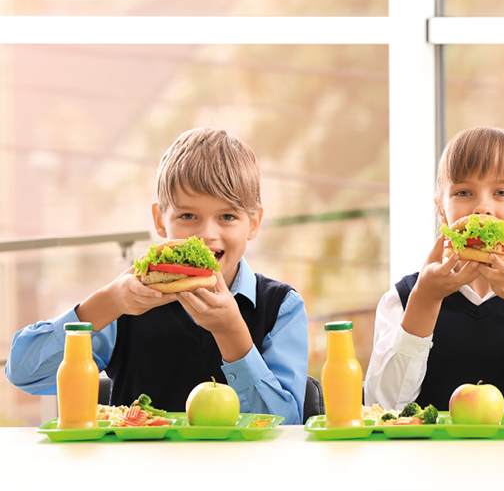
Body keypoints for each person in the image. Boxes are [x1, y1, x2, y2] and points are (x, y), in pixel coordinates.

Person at [6, 128, 308, 424]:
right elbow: (24, 374)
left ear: (253, 223)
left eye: (227, 217)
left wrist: (231, 332)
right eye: (188, 216)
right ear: (159, 221)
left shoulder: (281, 307)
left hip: (245, 473)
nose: (206, 234)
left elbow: (286, 429)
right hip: (137, 473)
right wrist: (108, 303)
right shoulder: (124, 305)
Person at [365, 126, 504, 424]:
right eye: (463, 192)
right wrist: (425, 300)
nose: (482, 206)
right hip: (429, 465)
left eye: (501, 192)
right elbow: (383, 408)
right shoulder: (403, 298)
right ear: (442, 211)